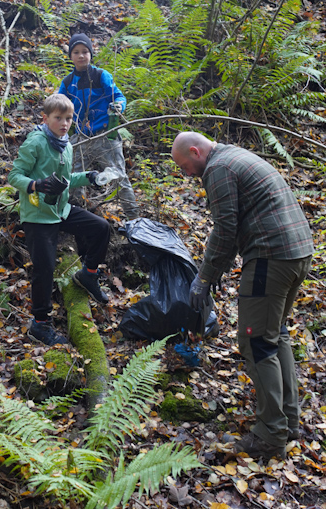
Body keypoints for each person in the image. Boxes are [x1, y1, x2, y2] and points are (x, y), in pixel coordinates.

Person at [171, 131, 313, 461]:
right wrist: (215, 271)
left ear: (196, 151)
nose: (186, 174)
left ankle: (270, 434)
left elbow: (225, 229)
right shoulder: (235, 156)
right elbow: (233, 230)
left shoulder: (219, 170)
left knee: (255, 341)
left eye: (185, 166)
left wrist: (204, 278)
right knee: (274, 335)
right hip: (298, 252)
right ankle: (287, 421)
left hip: (271, 257)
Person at [8, 93, 111, 346]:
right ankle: (40, 325)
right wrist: (36, 185)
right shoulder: (36, 142)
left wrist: (89, 176)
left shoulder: (66, 143)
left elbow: (65, 180)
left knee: (101, 228)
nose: (64, 123)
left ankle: (87, 274)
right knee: (44, 270)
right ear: (45, 118)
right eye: (58, 118)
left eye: (68, 118)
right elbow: (14, 176)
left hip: (60, 210)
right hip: (37, 217)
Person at [58, 32, 139, 220]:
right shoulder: (68, 82)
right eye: (76, 52)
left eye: (85, 51)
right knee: (73, 175)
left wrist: (119, 106)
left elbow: (119, 96)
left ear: (91, 54)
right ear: (70, 56)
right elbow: (58, 103)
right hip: (80, 136)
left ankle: (134, 219)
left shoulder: (101, 76)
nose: (81, 56)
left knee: (118, 175)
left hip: (105, 135)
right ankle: (76, 213)